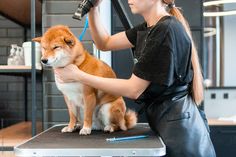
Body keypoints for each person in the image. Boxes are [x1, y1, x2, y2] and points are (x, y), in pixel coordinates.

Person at [55, 0, 216, 156]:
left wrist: (79, 76)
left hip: (182, 136)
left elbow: (134, 89)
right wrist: (93, 9)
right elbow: (104, 42)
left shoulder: (165, 30)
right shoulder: (149, 28)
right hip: (167, 122)